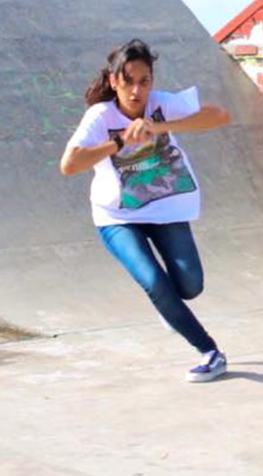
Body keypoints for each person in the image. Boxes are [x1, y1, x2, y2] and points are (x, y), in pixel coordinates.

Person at [60, 39, 230, 382]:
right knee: (154, 281)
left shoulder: (162, 105)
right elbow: (70, 164)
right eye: (128, 81)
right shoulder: (100, 116)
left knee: (190, 286)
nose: (137, 91)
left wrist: (160, 127)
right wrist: (120, 141)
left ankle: (170, 308)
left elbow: (219, 116)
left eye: (144, 81)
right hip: (117, 216)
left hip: (166, 208)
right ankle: (210, 351)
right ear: (113, 81)